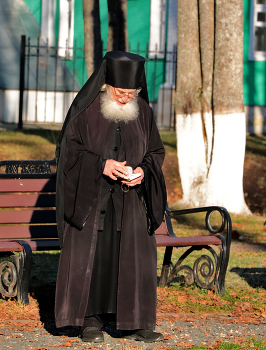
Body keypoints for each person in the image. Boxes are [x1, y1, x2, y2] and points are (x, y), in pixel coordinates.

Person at [54, 51, 166, 343]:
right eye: (121, 92)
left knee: (133, 258)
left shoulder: (144, 111)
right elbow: (68, 152)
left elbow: (156, 151)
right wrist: (101, 164)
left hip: (132, 202)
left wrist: (143, 169)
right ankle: (89, 321)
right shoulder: (85, 110)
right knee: (96, 256)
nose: (126, 98)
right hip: (92, 198)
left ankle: (135, 322)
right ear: (106, 86)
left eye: (132, 93)